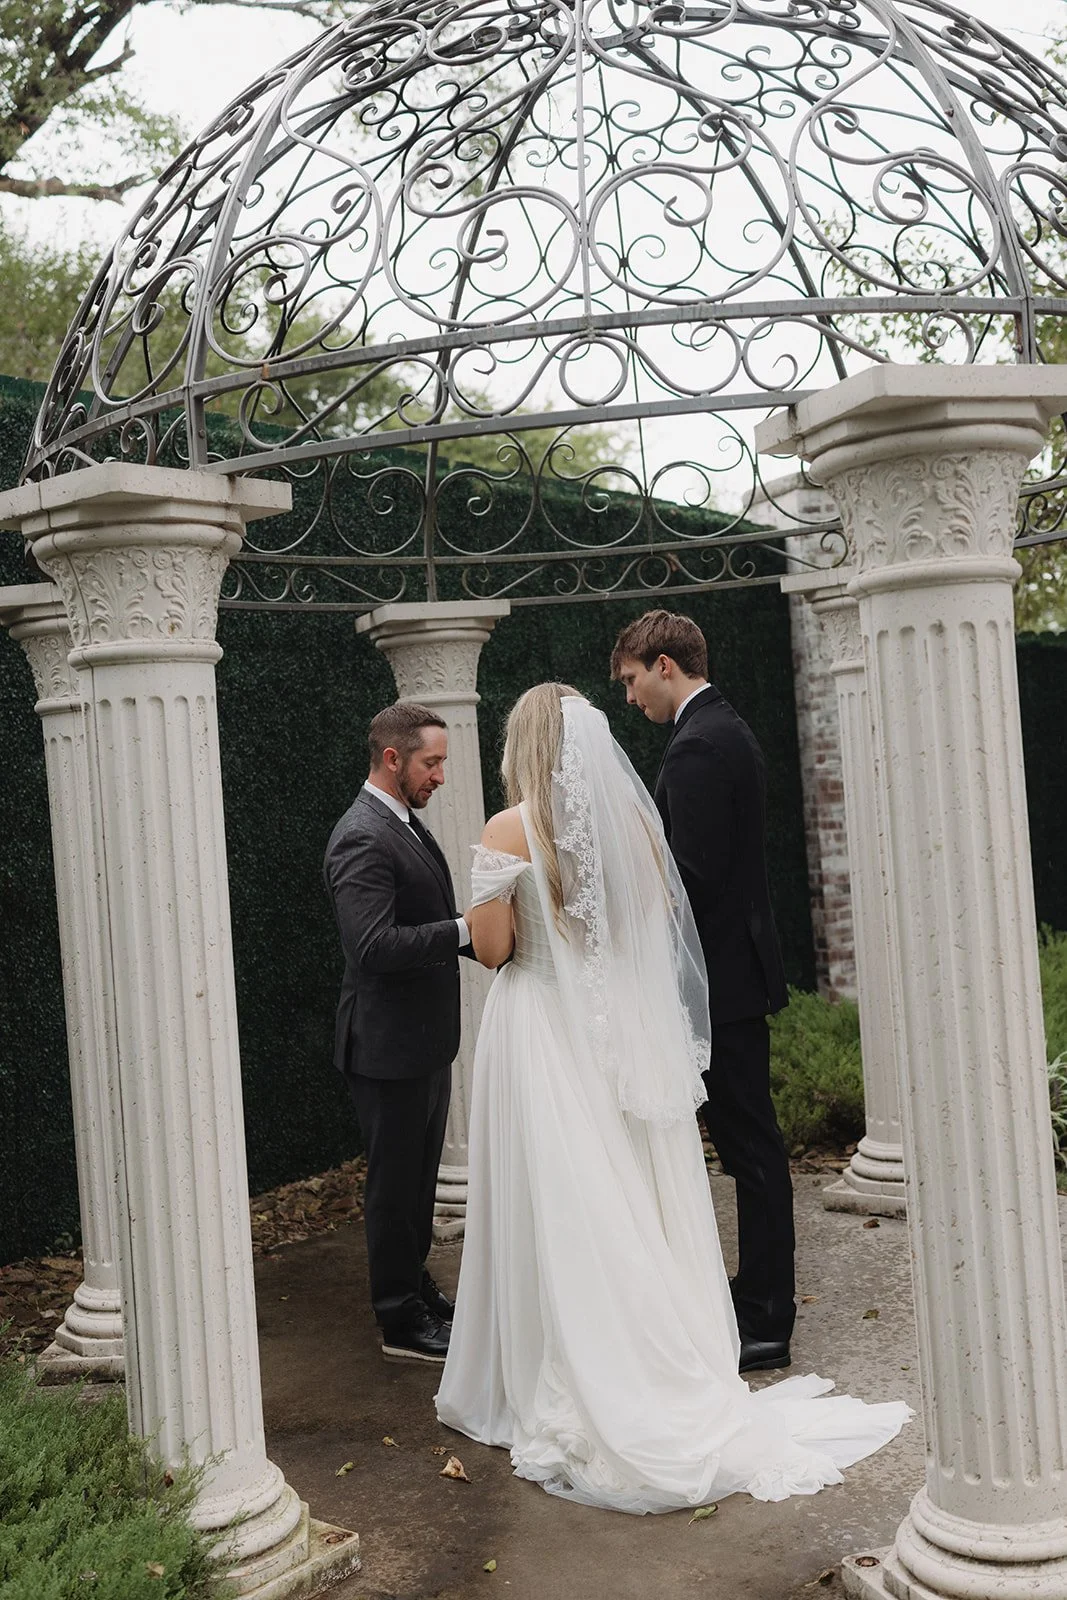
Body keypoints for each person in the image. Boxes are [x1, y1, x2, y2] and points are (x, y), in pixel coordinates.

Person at [435, 685, 909, 1514]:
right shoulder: (631, 833)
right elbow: (641, 938)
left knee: (555, 1196)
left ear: (524, 745)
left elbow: (492, 947)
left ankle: (554, 1360)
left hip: (538, 1029)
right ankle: (641, 1349)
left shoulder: (509, 828)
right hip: (601, 1034)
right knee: (610, 1192)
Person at [611, 610, 795, 1373]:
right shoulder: (724, 728)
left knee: (750, 1151)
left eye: (629, 681)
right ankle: (757, 1293)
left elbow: (688, 882)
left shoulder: (695, 749)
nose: (629, 700)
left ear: (662, 664)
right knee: (750, 1149)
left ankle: (764, 1320)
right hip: (736, 972)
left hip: (720, 985)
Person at [324, 701, 471, 1363]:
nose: (440, 775)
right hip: (385, 1048)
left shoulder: (403, 822)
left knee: (416, 1184)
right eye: (431, 762)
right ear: (392, 758)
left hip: (422, 1043)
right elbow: (373, 945)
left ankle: (414, 1289)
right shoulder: (361, 834)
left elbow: (421, 917)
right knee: (394, 1189)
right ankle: (399, 1321)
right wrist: (467, 930)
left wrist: (489, 939)